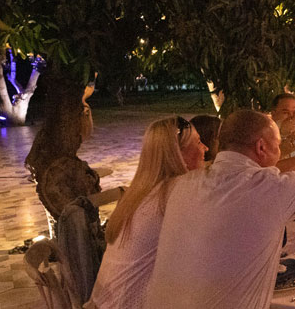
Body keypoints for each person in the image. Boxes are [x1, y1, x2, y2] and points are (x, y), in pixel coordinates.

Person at [143, 110, 295, 308]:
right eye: (278, 144)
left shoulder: (182, 184)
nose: (281, 150)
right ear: (261, 147)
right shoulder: (266, 187)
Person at [89, 117, 208, 308]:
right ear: (178, 154)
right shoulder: (177, 192)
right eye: (199, 142)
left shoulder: (141, 193)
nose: (205, 148)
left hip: (103, 303)